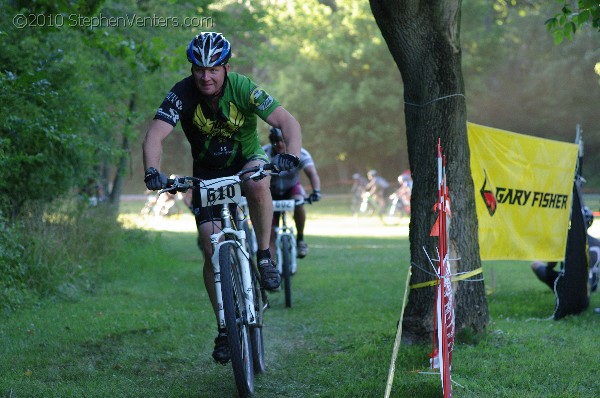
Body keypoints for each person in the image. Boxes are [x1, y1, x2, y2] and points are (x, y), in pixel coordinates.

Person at [142, 32, 302, 364]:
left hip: (247, 162)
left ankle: (265, 256)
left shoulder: (244, 88)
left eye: (213, 69)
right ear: (192, 69)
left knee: (257, 183)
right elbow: (156, 133)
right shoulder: (182, 93)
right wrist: (151, 171)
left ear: (226, 67)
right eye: (199, 69)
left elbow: (287, 121)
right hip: (207, 173)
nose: (206, 76)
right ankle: (225, 328)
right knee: (210, 244)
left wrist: (293, 155)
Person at [263, 127, 321, 259]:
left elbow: (312, 173)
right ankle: (271, 268)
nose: (279, 144)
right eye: (275, 141)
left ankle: (300, 239)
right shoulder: (264, 153)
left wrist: (316, 191)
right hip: (271, 192)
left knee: (299, 202)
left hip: (291, 188)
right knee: (270, 234)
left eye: (282, 141)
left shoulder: (299, 152)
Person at [531, 206, 600, 293]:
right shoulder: (597, 243)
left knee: (535, 264)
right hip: (592, 286)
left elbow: (551, 264)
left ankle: (558, 288)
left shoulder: (566, 241)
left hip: (568, 286)